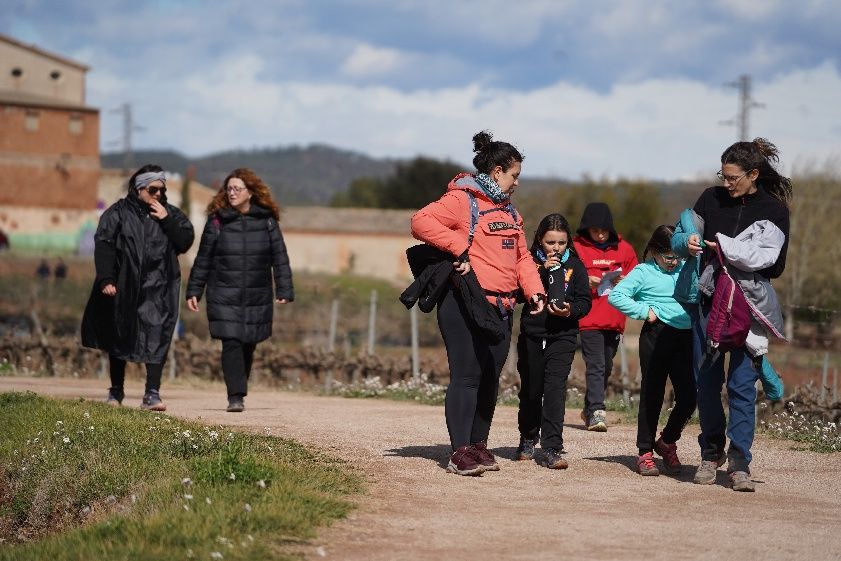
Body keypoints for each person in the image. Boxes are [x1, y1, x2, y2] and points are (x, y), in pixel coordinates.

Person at [410, 130, 545, 476]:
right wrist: (458, 247)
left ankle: (478, 446)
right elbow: (420, 221)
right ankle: (459, 452)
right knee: (467, 376)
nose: (517, 183)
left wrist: (534, 291)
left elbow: (522, 258)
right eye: (515, 175)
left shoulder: (512, 213)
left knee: (489, 379)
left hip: (502, 308)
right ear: (498, 171)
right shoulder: (462, 199)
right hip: (463, 303)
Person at [672, 138, 791, 492]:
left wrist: (735, 254)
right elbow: (682, 234)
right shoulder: (710, 198)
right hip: (708, 302)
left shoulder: (774, 210)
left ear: (753, 174)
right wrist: (687, 243)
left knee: (741, 386)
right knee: (707, 383)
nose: (726, 183)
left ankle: (740, 461)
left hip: (748, 308)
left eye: (733, 177)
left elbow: (778, 266)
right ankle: (711, 453)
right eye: (722, 175)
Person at [81, 165, 195, 410]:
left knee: (157, 337)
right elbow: (105, 246)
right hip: (125, 285)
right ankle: (116, 391)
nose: (158, 194)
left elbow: (185, 241)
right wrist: (106, 279)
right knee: (119, 335)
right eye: (153, 189)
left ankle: (152, 393)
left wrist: (167, 220)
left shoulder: (170, 214)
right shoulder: (117, 214)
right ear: (138, 188)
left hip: (159, 287)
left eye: (161, 190)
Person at [186, 168, 293, 413]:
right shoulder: (217, 221)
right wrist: (194, 290)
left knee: (248, 343)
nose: (232, 193)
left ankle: (238, 388)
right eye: (229, 189)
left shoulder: (267, 221)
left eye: (237, 189)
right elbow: (203, 258)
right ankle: (235, 396)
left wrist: (284, 288)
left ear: (251, 193)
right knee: (231, 342)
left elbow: (280, 257)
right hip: (223, 293)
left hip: (257, 294)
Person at [608, 225, 696, 476]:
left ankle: (667, 441)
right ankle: (645, 451)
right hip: (656, 337)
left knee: (690, 395)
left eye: (678, 255)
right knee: (653, 393)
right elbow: (617, 296)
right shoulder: (643, 271)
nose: (674, 261)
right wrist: (646, 312)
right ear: (655, 252)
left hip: (686, 337)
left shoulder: (687, 268)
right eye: (668, 256)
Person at [515, 213, 591, 469]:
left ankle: (552, 448)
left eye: (561, 243)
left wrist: (570, 310)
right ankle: (527, 437)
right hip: (533, 335)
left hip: (563, 336)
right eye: (550, 243)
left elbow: (585, 302)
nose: (556, 248)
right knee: (531, 390)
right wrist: (538, 273)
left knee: (555, 391)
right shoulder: (528, 263)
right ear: (539, 240)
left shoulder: (576, 266)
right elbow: (516, 294)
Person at [573, 202, 638, 431]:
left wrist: (626, 282)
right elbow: (566, 276)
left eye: (604, 230)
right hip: (588, 317)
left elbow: (637, 280)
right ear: (586, 229)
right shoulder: (576, 248)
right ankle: (598, 412)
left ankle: (588, 407)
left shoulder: (625, 250)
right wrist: (584, 281)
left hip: (614, 319)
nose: (600, 235)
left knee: (607, 366)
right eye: (594, 231)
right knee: (596, 365)